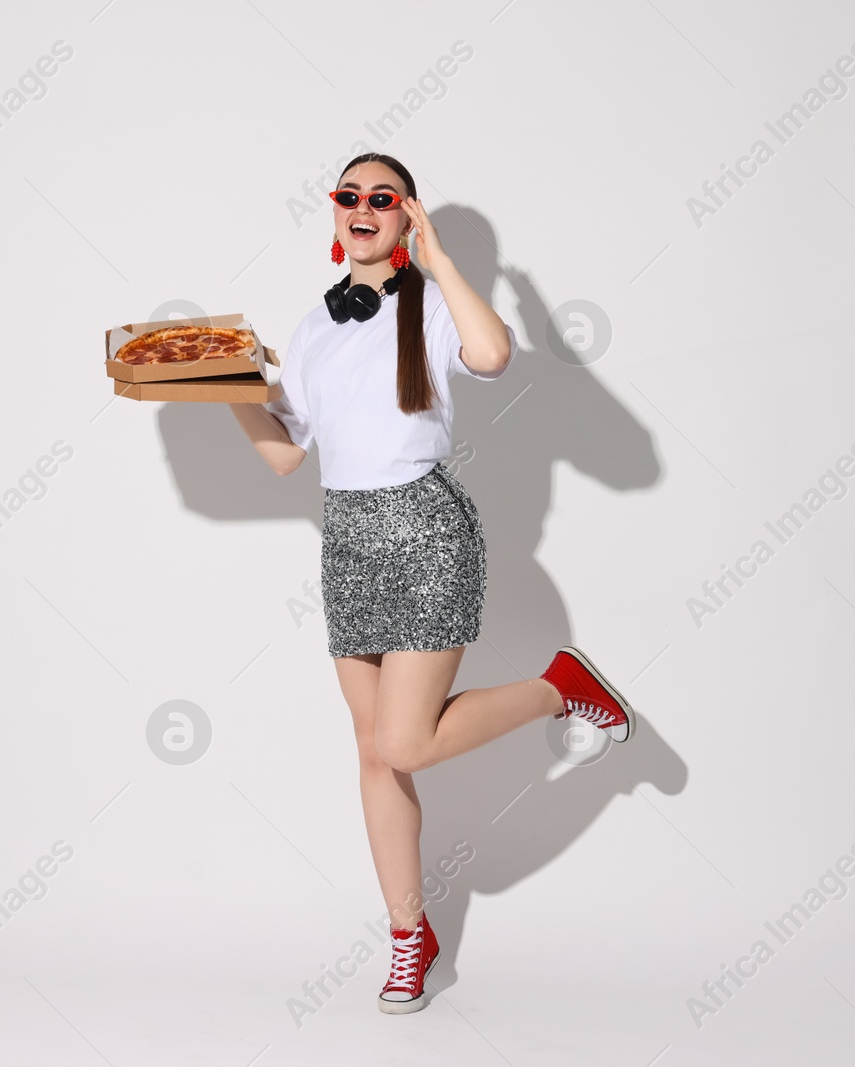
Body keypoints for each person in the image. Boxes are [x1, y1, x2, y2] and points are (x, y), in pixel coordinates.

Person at [230, 152, 635, 1015]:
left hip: (425, 532)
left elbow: (492, 354)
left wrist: (440, 261)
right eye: (351, 197)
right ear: (333, 217)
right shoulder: (312, 328)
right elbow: (284, 455)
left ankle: (559, 688)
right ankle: (409, 935)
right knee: (376, 752)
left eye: (385, 198)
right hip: (346, 544)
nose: (364, 207)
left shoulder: (434, 305)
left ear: (405, 215)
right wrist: (224, 391)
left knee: (406, 743)